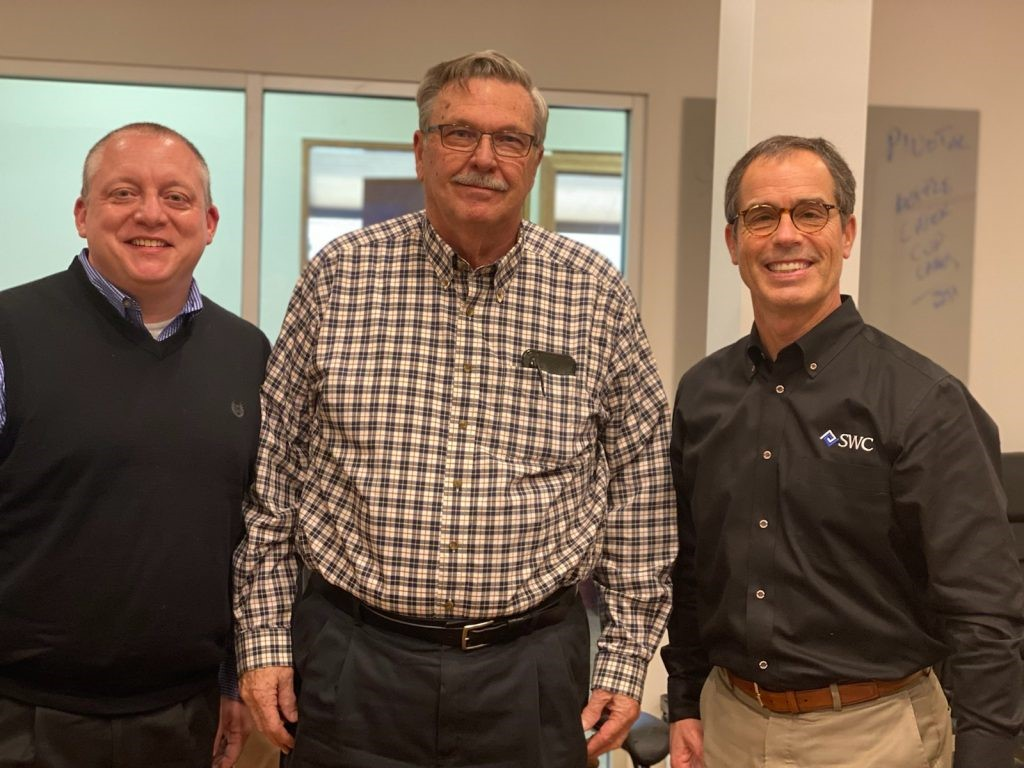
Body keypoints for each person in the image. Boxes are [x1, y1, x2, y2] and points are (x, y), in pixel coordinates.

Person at [233, 50, 676, 768]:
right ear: (420, 148)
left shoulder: (593, 293)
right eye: (458, 133)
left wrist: (626, 663)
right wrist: (262, 643)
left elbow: (642, 491)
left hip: (529, 670)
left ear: (534, 160)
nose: (483, 159)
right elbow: (272, 480)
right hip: (353, 660)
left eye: (510, 140)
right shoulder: (339, 277)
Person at [661, 134, 1024, 768]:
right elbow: (690, 570)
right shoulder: (703, 393)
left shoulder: (922, 401)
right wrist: (686, 701)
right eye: (761, 216)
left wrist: (988, 751)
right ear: (733, 243)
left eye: (810, 212)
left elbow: (985, 609)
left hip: (875, 736)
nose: (786, 235)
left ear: (847, 232)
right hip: (728, 727)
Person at [0, 123, 270, 768]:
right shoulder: (9, 334)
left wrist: (232, 681)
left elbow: (248, 530)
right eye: (124, 193)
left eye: (176, 198)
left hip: (186, 718)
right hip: (22, 715)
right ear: (82, 215)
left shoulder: (248, 354)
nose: (151, 214)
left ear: (208, 222)